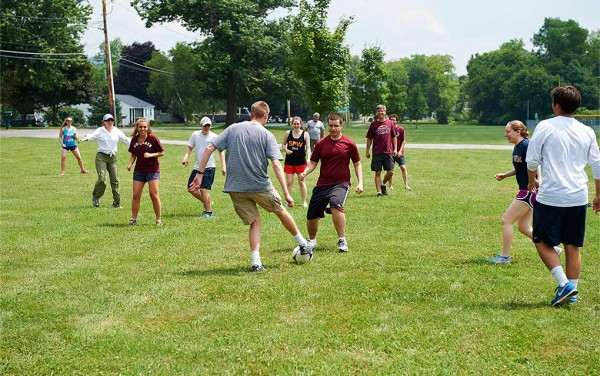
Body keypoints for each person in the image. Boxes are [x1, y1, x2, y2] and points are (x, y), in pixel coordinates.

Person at [189, 101, 309, 272]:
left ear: (251, 113)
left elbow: (209, 148)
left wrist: (199, 175)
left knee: (255, 221)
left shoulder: (232, 128)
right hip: (260, 185)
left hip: (235, 187)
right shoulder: (267, 135)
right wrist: (286, 193)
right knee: (280, 210)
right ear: (266, 116)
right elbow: (276, 165)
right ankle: (303, 244)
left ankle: (256, 262)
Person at [526, 85, 600, 306]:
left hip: (552, 196)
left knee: (540, 239)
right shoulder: (587, 131)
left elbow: (532, 160)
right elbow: (597, 164)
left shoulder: (546, 126)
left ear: (556, 105)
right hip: (578, 196)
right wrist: (598, 194)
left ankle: (564, 284)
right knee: (572, 245)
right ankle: (573, 292)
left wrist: (531, 182)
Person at [488, 120, 562, 264]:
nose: (505, 135)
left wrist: (538, 180)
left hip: (529, 189)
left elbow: (536, 163)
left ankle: (504, 256)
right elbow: (522, 168)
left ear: (518, 131)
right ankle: (554, 249)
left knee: (506, 220)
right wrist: (505, 175)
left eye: (508, 131)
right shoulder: (517, 147)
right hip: (528, 189)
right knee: (523, 227)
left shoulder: (526, 145)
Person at [299, 112, 363, 253]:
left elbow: (357, 164)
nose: (333, 128)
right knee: (312, 214)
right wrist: (305, 172)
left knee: (336, 204)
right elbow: (313, 162)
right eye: (331, 126)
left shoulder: (349, 143)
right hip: (322, 184)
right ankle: (312, 241)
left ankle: (342, 240)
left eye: (336, 126)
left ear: (341, 126)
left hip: (341, 183)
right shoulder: (322, 143)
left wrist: (360, 182)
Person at [80, 114, 130, 208]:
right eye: (108, 120)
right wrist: (83, 139)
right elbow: (91, 136)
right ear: (104, 122)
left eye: (112, 120)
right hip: (101, 157)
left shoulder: (117, 131)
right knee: (102, 179)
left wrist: (137, 143)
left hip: (112, 158)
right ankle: (96, 197)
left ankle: (117, 202)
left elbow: (126, 139)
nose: (110, 122)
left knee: (115, 180)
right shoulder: (100, 131)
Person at [182, 116, 226, 218]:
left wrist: (224, 166)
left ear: (210, 126)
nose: (206, 128)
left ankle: (208, 212)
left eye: (208, 126)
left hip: (209, 167)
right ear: (201, 125)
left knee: (203, 189)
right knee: (191, 188)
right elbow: (189, 147)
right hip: (197, 167)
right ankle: (208, 202)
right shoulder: (195, 135)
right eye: (204, 125)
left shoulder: (215, 137)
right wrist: (185, 157)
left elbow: (221, 152)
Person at [126, 118, 165, 226]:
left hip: (152, 170)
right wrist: (130, 164)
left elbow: (162, 152)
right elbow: (133, 154)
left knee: (154, 194)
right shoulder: (134, 139)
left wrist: (151, 155)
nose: (143, 129)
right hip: (139, 170)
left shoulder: (153, 138)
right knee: (136, 195)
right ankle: (133, 219)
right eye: (140, 127)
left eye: (145, 127)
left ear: (148, 128)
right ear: (137, 128)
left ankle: (158, 219)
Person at [365, 104, 397, 196]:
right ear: (376, 113)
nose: (380, 112)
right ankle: (379, 192)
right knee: (377, 172)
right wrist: (367, 151)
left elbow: (394, 137)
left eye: (382, 111)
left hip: (388, 151)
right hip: (377, 152)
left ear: (385, 112)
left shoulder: (390, 123)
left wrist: (395, 149)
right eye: (378, 111)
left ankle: (382, 183)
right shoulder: (373, 124)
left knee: (390, 172)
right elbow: (369, 138)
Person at [282, 116, 311, 207]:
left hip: (301, 161)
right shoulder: (288, 133)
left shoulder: (305, 134)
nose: (296, 125)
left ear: (301, 124)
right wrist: (287, 150)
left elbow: (308, 148)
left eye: (298, 124)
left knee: (301, 181)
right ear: (292, 124)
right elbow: (283, 145)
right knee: (289, 182)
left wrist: (309, 158)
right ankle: (288, 201)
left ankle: (304, 202)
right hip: (290, 161)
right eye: (294, 124)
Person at [387, 114, 410, 190]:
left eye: (394, 119)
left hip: (400, 153)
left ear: (397, 121)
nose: (392, 121)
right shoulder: (388, 129)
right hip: (390, 152)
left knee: (403, 167)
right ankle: (390, 185)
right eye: (391, 119)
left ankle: (406, 185)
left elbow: (404, 141)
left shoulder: (401, 129)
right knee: (390, 170)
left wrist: (400, 151)